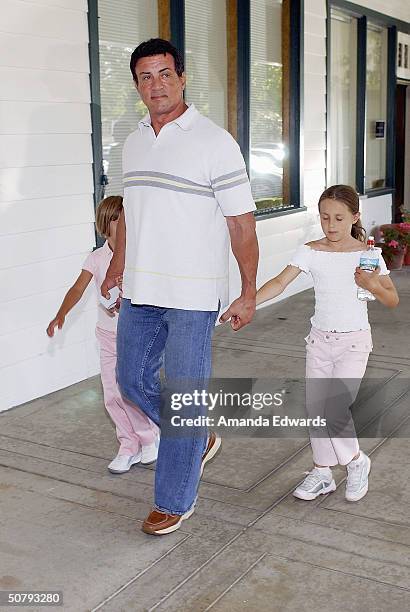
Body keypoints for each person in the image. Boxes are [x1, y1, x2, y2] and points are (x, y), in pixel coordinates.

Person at [101, 38, 259, 535]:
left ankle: (173, 500)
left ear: (183, 77)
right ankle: (199, 438)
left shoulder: (215, 141)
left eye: (164, 73)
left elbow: (242, 225)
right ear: (136, 86)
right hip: (143, 290)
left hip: (193, 294)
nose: (156, 84)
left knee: (185, 395)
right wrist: (117, 265)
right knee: (132, 382)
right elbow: (129, 213)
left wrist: (248, 288)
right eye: (145, 77)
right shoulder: (132, 141)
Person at [256, 184, 399, 502]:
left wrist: (372, 283)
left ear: (354, 217)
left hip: (355, 343)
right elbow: (281, 282)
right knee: (316, 409)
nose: (331, 225)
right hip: (319, 341)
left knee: (334, 408)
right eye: (324, 218)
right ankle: (322, 473)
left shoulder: (368, 255)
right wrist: (249, 302)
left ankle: (356, 462)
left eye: (338, 218)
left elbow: (391, 299)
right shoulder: (310, 250)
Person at [47, 196, 159, 473]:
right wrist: (61, 313)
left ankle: (149, 438)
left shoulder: (138, 256)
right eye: (116, 219)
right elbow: (77, 289)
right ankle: (128, 444)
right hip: (107, 336)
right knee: (112, 394)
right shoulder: (96, 258)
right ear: (104, 224)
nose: (122, 225)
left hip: (135, 336)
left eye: (126, 220)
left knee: (132, 389)